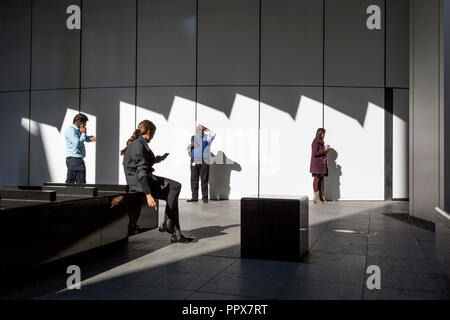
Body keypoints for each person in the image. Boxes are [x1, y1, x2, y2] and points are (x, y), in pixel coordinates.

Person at [121, 120, 194, 243]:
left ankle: (175, 232)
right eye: (153, 135)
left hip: (144, 180)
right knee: (175, 187)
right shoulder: (138, 146)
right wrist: (148, 195)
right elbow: (141, 172)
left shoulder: (138, 143)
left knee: (173, 194)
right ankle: (167, 222)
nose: (152, 138)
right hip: (140, 184)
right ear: (149, 132)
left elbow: (142, 163)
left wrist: (157, 159)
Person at [186, 124, 216, 203]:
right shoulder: (193, 137)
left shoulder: (207, 138)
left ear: (203, 130)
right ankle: (194, 197)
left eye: (201, 130)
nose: (199, 131)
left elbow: (213, 134)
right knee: (194, 180)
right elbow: (188, 151)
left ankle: (205, 198)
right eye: (197, 130)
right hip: (194, 161)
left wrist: (206, 128)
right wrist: (189, 146)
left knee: (204, 180)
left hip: (204, 161)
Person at [65, 113, 96, 184]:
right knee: (80, 183)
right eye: (84, 123)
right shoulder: (71, 130)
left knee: (72, 182)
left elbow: (82, 138)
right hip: (75, 160)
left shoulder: (77, 130)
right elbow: (77, 143)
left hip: (75, 161)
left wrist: (90, 138)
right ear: (79, 121)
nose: (85, 126)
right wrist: (83, 133)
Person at [310, 128, 329, 205]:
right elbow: (315, 153)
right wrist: (324, 150)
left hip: (321, 165)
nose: (324, 135)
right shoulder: (315, 142)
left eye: (324, 133)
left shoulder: (320, 142)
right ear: (320, 133)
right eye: (323, 133)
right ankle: (316, 198)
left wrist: (325, 150)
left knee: (321, 181)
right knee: (317, 180)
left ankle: (320, 198)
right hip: (317, 165)